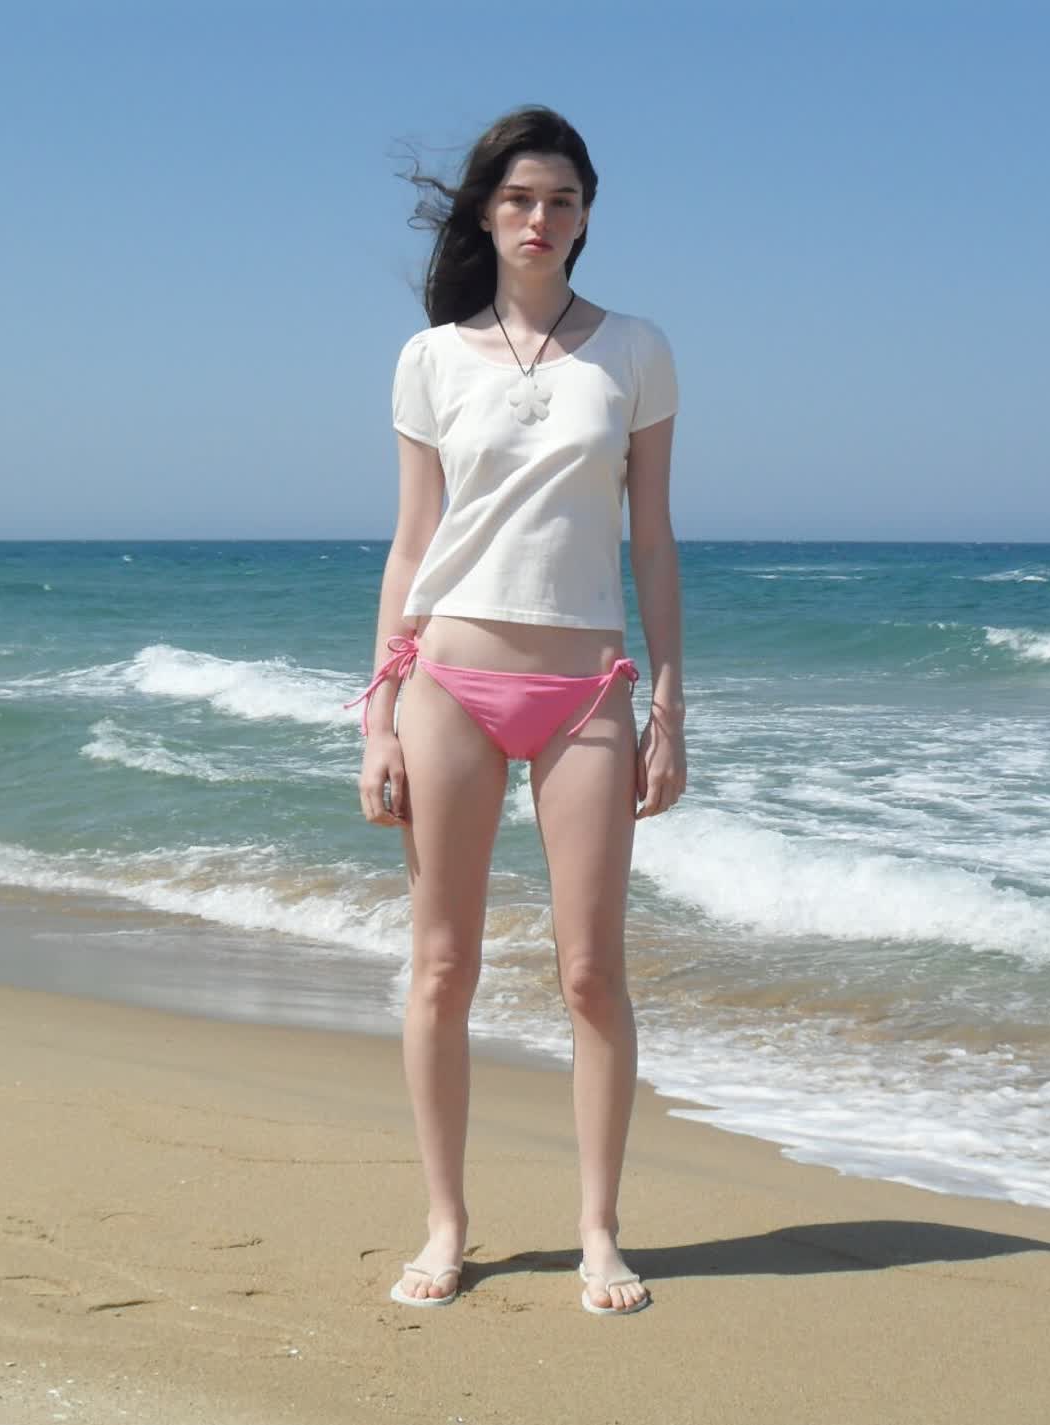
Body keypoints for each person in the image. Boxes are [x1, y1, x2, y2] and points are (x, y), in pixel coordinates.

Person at [345, 105, 685, 1317]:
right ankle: (446, 1223)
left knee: (591, 973)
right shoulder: (429, 358)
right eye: (520, 199)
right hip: (447, 683)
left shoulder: (634, 351)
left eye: (562, 201)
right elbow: (411, 543)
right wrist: (377, 714)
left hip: (586, 689)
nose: (540, 219)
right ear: (487, 213)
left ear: (586, 217)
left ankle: (598, 1230)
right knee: (442, 966)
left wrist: (670, 706)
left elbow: (653, 540)